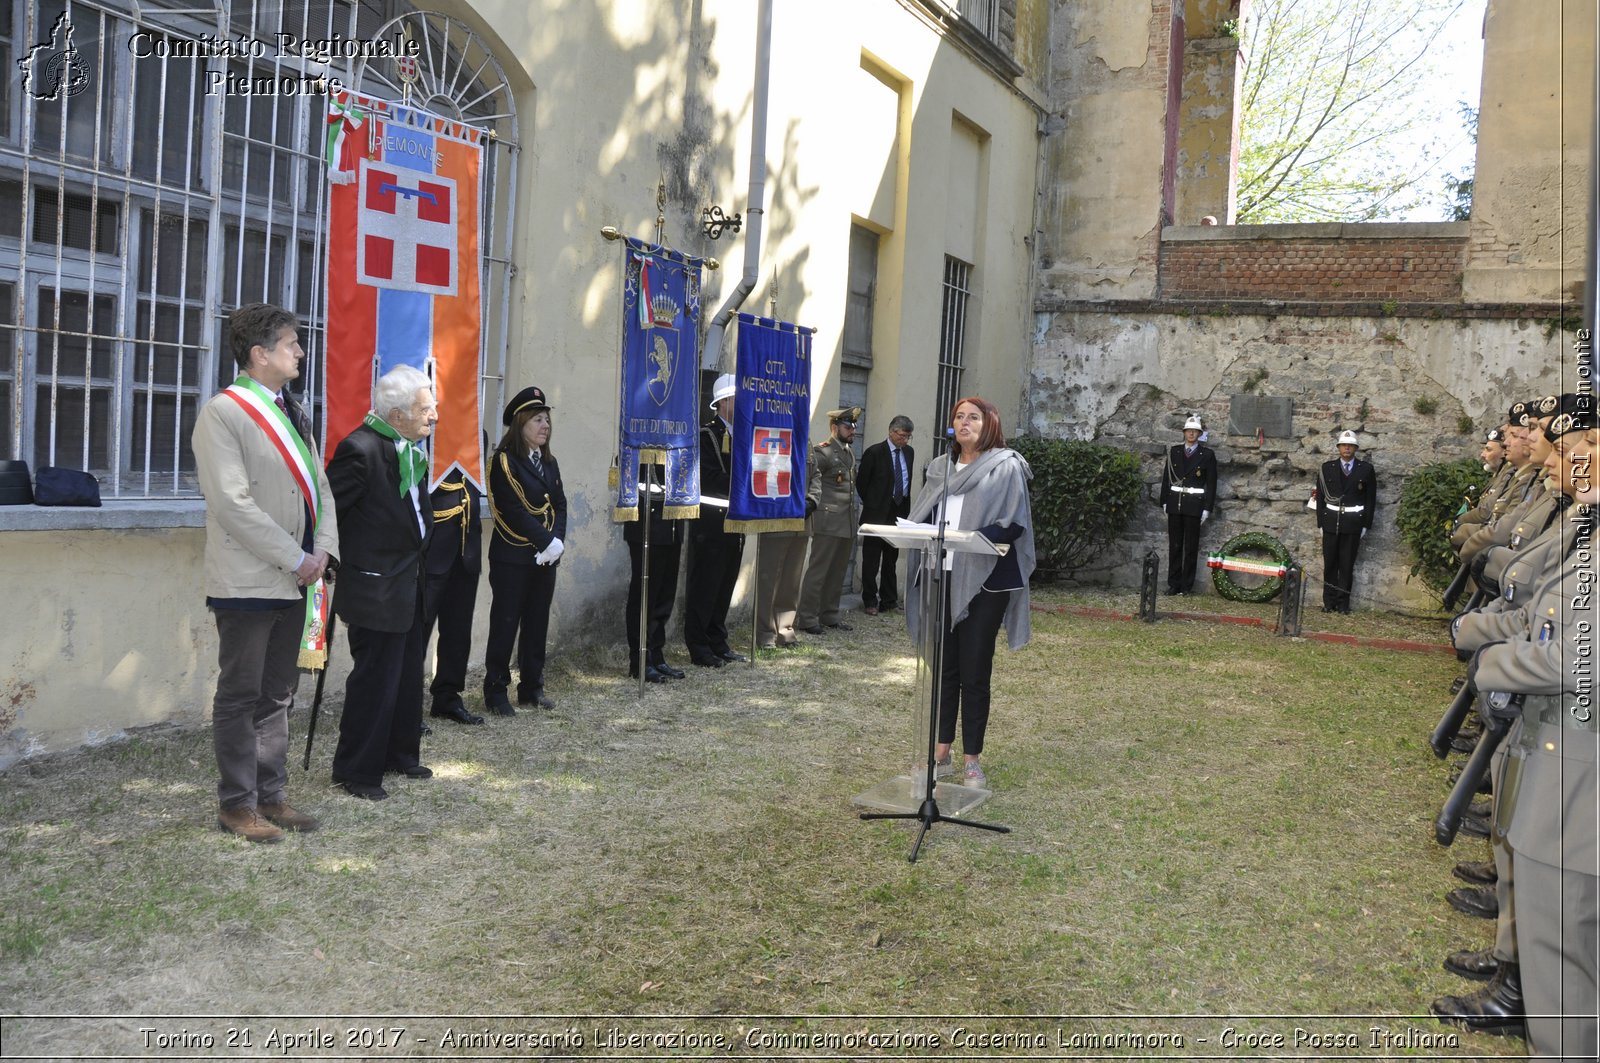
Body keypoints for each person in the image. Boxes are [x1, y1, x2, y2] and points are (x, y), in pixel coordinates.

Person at [192, 303, 338, 842]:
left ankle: (271, 796)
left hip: (295, 577)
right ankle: (236, 804)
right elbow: (233, 505)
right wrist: (296, 557)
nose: (300, 351)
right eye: (291, 343)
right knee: (241, 694)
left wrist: (322, 551)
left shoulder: (292, 411)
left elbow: (319, 488)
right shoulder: (224, 414)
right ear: (260, 353)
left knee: (277, 694)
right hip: (249, 582)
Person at [905, 396, 1036, 790]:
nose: (964, 423)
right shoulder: (939, 467)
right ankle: (941, 753)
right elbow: (925, 513)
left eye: (973, 417)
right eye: (959, 417)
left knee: (975, 670)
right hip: (939, 574)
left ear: (989, 423)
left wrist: (970, 540)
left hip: (985, 579)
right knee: (944, 669)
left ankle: (972, 760)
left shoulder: (1005, 466)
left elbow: (1012, 523)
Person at [327, 365, 438, 800]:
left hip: (410, 583)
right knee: (374, 679)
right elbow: (331, 514)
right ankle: (356, 770)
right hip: (376, 587)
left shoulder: (410, 450)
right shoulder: (360, 449)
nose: (433, 417)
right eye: (425, 409)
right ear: (396, 416)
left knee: (408, 673)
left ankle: (400, 753)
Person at [485, 386, 567, 714]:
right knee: (505, 624)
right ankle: (495, 692)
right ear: (521, 425)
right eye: (537, 419)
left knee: (537, 623)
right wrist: (547, 541)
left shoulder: (549, 462)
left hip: (545, 559)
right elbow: (513, 511)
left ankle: (532, 688)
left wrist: (556, 543)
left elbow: (559, 504)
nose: (545, 425)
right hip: (513, 558)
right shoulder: (504, 462)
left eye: (546, 419)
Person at [683, 373, 748, 668]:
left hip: (735, 523)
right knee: (704, 587)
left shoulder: (744, 436)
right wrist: (746, 480)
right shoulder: (706, 435)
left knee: (724, 586)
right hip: (710, 524)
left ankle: (717, 640)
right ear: (724, 402)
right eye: (737, 398)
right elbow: (708, 479)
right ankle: (698, 646)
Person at [421, 450, 485, 726]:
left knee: (458, 631)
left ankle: (447, 696)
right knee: (417, 635)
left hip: (465, 547)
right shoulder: (425, 431)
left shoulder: (475, 434)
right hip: (431, 550)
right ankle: (408, 707)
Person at [798, 406, 861, 634]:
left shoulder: (848, 452)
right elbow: (812, 481)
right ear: (835, 428)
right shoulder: (822, 452)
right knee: (819, 571)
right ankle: (807, 618)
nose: (852, 430)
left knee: (837, 572)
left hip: (846, 522)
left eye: (853, 426)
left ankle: (829, 615)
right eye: (847, 427)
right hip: (827, 520)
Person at [624, 482, 685, 682]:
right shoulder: (637, 449)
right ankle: (640, 660)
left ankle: (657, 655)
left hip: (672, 523)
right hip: (647, 523)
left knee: (665, 597)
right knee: (645, 597)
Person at [856, 415, 915, 615]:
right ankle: (870, 600)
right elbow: (861, 483)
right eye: (902, 435)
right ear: (891, 432)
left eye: (908, 436)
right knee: (871, 559)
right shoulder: (874, 452)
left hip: (898, 512)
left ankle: (889, 600)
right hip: (876, 512)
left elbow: (907, 479)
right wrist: (873, 503)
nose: (905, 440)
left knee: (891, 558)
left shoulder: (909, 453)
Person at [1313, 429, 1377, 613]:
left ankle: (1343, 604)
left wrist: (1366, 524)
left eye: (1350, 445)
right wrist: (1320, 523)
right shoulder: (1327, 468)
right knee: (1330, 564)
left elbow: (1370, 499)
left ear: (1356, 448)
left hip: (1353, 523)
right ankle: (1329, 602)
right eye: (1344, 445)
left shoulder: (1366, 469)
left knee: (1347, 565)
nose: (1347, 448)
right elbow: (1321, 498)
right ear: (1339, 447)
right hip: (1331, 521)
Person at [1160, 413, 1218, 595]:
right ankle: (1174, 583)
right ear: (1184, 433)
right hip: (1175, 503)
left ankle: (1186, 586)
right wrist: (1163, 501)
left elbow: (1212, 483)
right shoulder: (1175, 451)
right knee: (1175, 545)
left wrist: (1207, 508)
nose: (1191, 434)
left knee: (1191, 547)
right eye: (1188, 431)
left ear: (1199, 434)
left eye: (1195, 431)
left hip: (1195, 505)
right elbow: (1166, 478)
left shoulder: (1207, 455)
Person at [755, 530, 808, 650]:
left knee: (791, 583)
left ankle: (785, 632)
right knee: (769, 582)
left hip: (802, 524)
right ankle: (766, 635)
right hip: (777, 522)